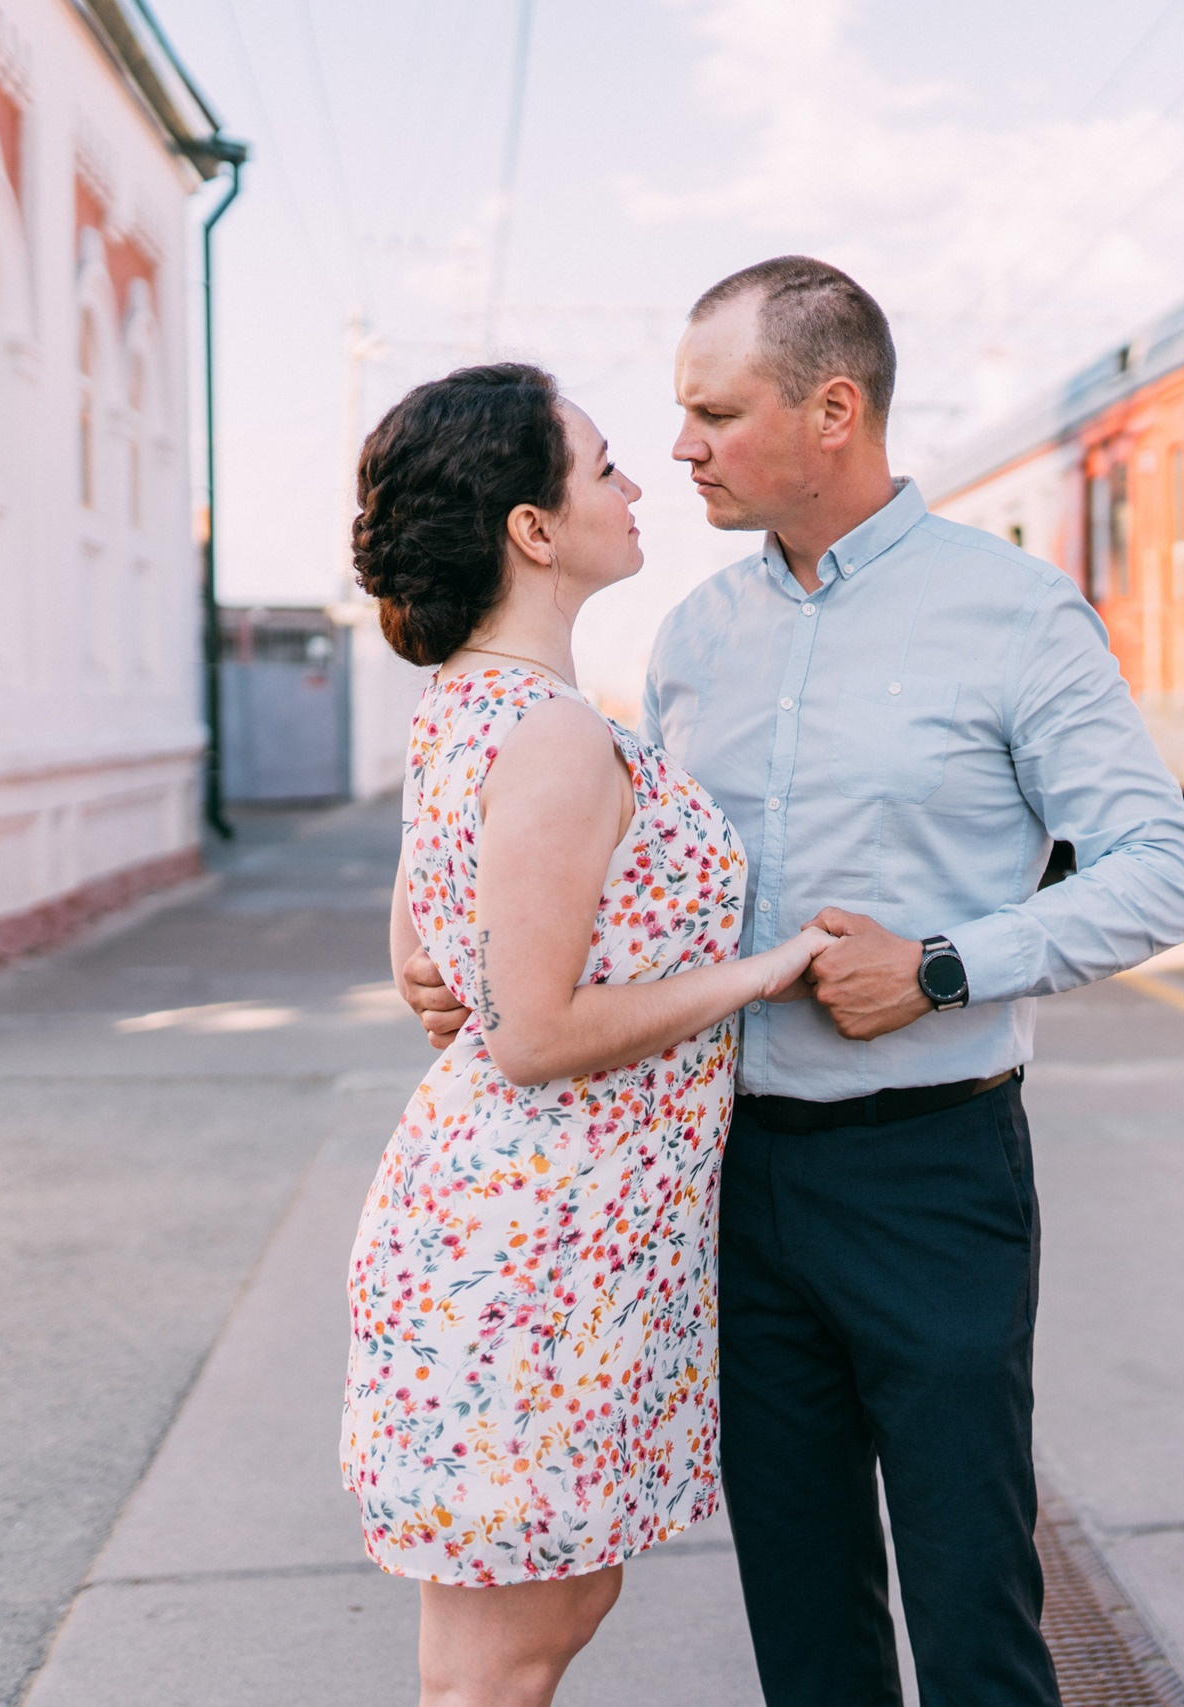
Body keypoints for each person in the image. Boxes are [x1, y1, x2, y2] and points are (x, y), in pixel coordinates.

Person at [402, 258, 1184, 1704]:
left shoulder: (1016, 614)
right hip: (726, 1174)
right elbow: (625, 894)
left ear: (832, 410)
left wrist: (947, 964)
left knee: (972, 1592)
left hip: (931, 1169)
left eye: (715, 411)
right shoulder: (696, 638)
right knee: (799, 1594)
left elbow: (1163, 867)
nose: (682, 447)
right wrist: (466, 964)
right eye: (673, 416)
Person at [341, 363, 834, 1707]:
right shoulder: (550, 731)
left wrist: (489, 990)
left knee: (507, 1640)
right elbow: (535, 1032)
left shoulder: (463, 708)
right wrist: (764, 969)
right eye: (603, 464)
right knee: (515, 1643)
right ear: (532, 528)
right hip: (540, 1239)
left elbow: (421, 964)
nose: (637, 483)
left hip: (521, 1226)